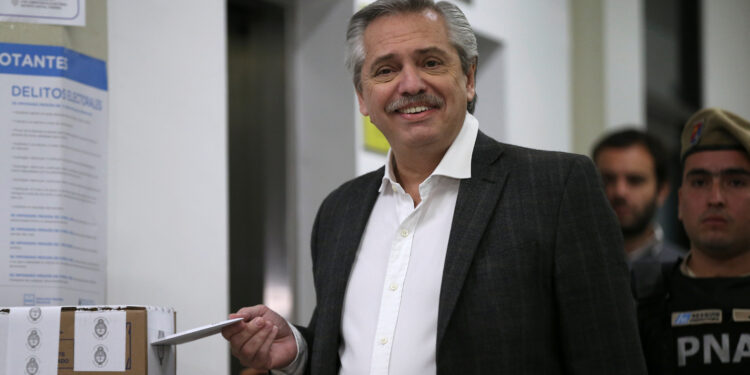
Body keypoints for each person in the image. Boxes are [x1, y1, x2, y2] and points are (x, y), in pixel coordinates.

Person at [223, 1, 646, 373]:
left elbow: (608, 357)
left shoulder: (555, 188)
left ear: (469, 77)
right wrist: (298, 350)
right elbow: (358, 349)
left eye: (430, 62)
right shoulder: (339, 211)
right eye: (385, 70)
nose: (410, 84)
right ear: (363, 98)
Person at [633, 107, 750, 374]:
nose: (715, 198)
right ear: (680, 202)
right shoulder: (640, 298)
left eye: (735, 182)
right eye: (699, 182)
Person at [592, 129, 684, 267]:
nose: (619, 192)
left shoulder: (684, 270)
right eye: (607, 180)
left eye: (635, 180)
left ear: (662, 191)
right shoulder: (566, 265)